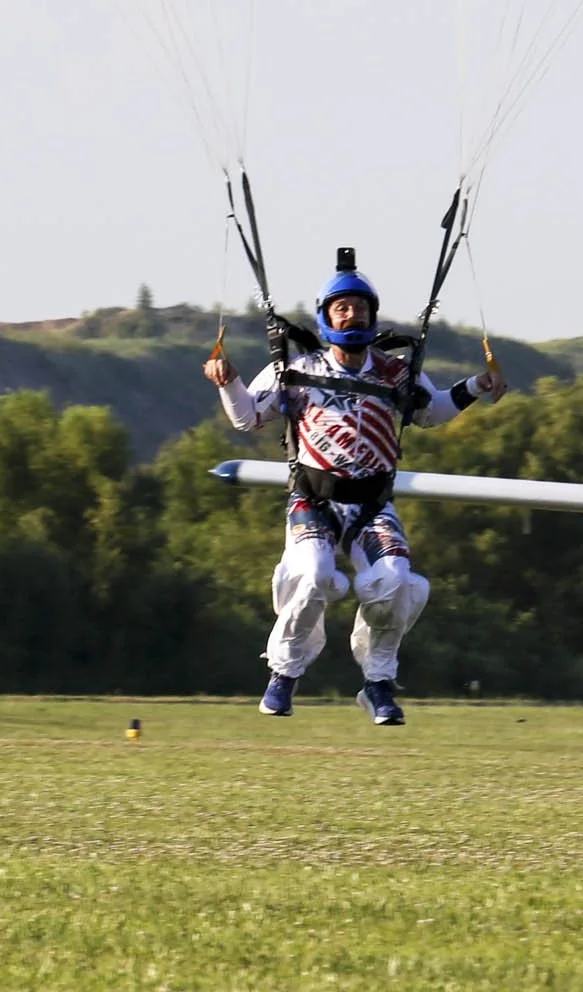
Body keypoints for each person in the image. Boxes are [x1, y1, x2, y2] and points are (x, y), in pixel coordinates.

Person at [204, 249, 505, 724]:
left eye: (360, 308)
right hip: (313, 501)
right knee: (316, 575)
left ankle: (378, 684)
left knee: (395, 582)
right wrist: (228, 381)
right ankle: (283, 674)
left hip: (371, 506)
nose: (352, 315)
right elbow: (247, 418)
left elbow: (431, 412)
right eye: (342, 308)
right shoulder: (296, 370)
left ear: (372, 315)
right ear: (326, 316)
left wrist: (478, 386)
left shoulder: (395, 372)